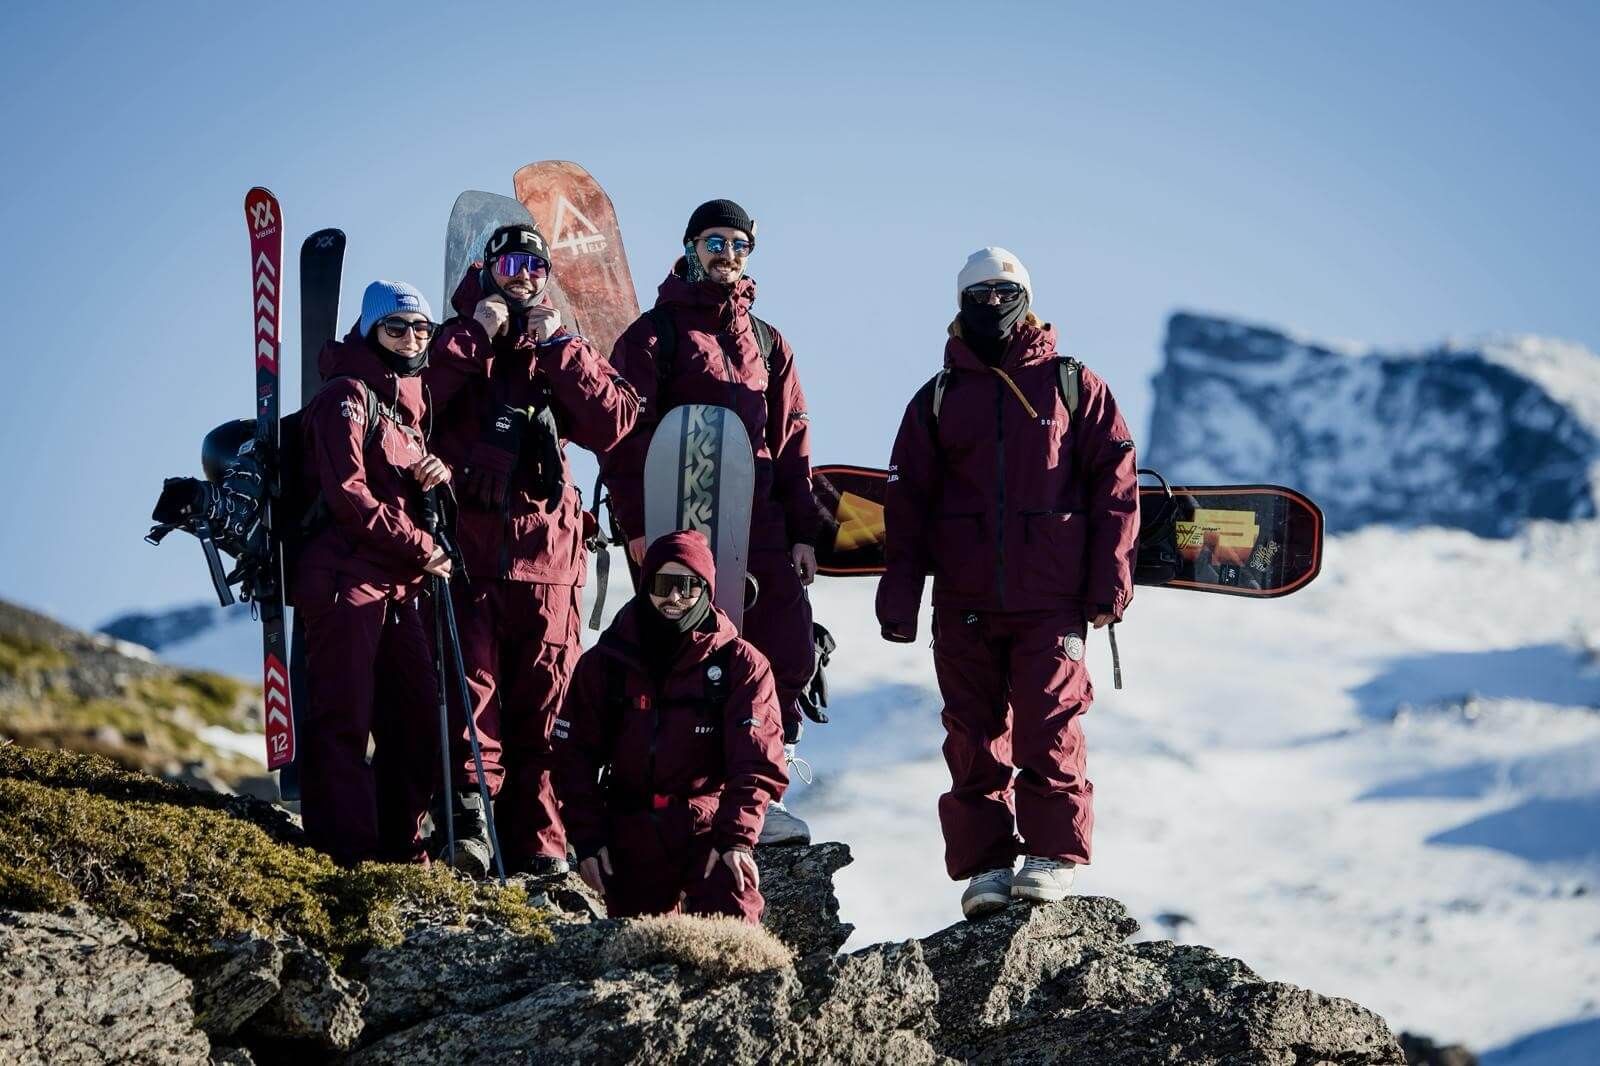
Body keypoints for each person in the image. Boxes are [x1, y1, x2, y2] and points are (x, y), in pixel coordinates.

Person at [875, 248, 1140, 919]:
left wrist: (1110, 582)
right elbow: (907, 505)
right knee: (972, 736)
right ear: (961, 303)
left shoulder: (1072, 384)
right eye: (979, 293)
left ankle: (1052, 853)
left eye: (1004, 291)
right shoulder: (938, 398)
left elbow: (1116, 486)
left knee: (1050, 726)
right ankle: (987, 866)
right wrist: (899, 598)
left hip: (1051, 599)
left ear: (1026, 298)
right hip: (963, 601)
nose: (992, 303)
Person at [423, 223, 640, 877]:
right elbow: (415, 403)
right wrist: (476, 334)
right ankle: (468, 832)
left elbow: (615, 424)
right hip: (467, 556)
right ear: (486, 269)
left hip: (549, 562)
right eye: (510, 264)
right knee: (470, 696)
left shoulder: (560, 347)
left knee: (546, 710)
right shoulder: (452, 338)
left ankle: (540, 849)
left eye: (535, 266)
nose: (522, 277)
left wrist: (561, 348)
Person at [600, 199, 818, 845]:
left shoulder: (769, 343)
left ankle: (761, 791)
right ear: (691, 246)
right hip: (681, 522)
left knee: (785, 648)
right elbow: (624, 439)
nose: (728, 255)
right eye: (715, 242)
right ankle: (690, 793)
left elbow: (792, 443)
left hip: (761, 520)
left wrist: (804, 532)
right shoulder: (653, 336)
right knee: (692, 654)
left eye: (739, 245)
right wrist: (637, 524)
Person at [293, 280, 452, 866]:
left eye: (421, 328)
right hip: (343, 579)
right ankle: (346, 854)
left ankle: (400, 850)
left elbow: (396, 491)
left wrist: (435, 477)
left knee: (415, 718)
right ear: (369, 330)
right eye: (395, 327)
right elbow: (348, 494)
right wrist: (421, 546)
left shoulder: (409, 410)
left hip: (398, 588)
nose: (410, 338)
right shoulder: (345, 394)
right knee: (344, 716)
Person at [554, 531, 787, 923]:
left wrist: (736, 839)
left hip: (706, 826)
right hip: (628, 827)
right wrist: (588, 839)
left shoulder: (741, 664)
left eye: (688, 586)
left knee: (734, 915)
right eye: (663, 584)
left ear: (706, 590)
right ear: (646, 585)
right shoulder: (606, 663)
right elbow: (571, 755)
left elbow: (757, 761)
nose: (675, 597)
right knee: (634, 945)